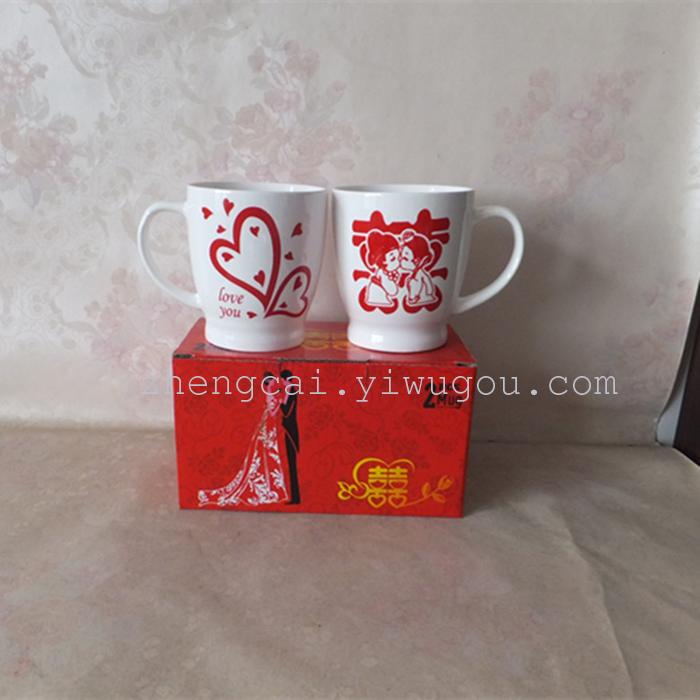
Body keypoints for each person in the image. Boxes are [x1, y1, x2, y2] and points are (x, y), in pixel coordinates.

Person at [198, 373, 291, 507]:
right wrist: (282, 397)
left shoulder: (272, 392)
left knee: (267, 455)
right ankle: (268, 490)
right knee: (265, 455)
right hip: (269, 424)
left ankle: (271, 489)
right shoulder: (272, 392)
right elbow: (274, 409)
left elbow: (275, 407)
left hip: (270, 424)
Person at [399, 229, 438, 307]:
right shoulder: (414, 274)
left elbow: (428, 284)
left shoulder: (420, 274)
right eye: (401, 257)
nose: (400, 260)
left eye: (405, 258)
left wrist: (429, 293)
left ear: (417, 261)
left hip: (423, 299)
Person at [364, 230, 402, 307]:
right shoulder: (382, 274)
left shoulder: (384, 272)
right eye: (393, 259)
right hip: (379, 300)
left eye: (398, 257)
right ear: (383, 261)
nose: (398, 262)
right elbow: (393, 291)